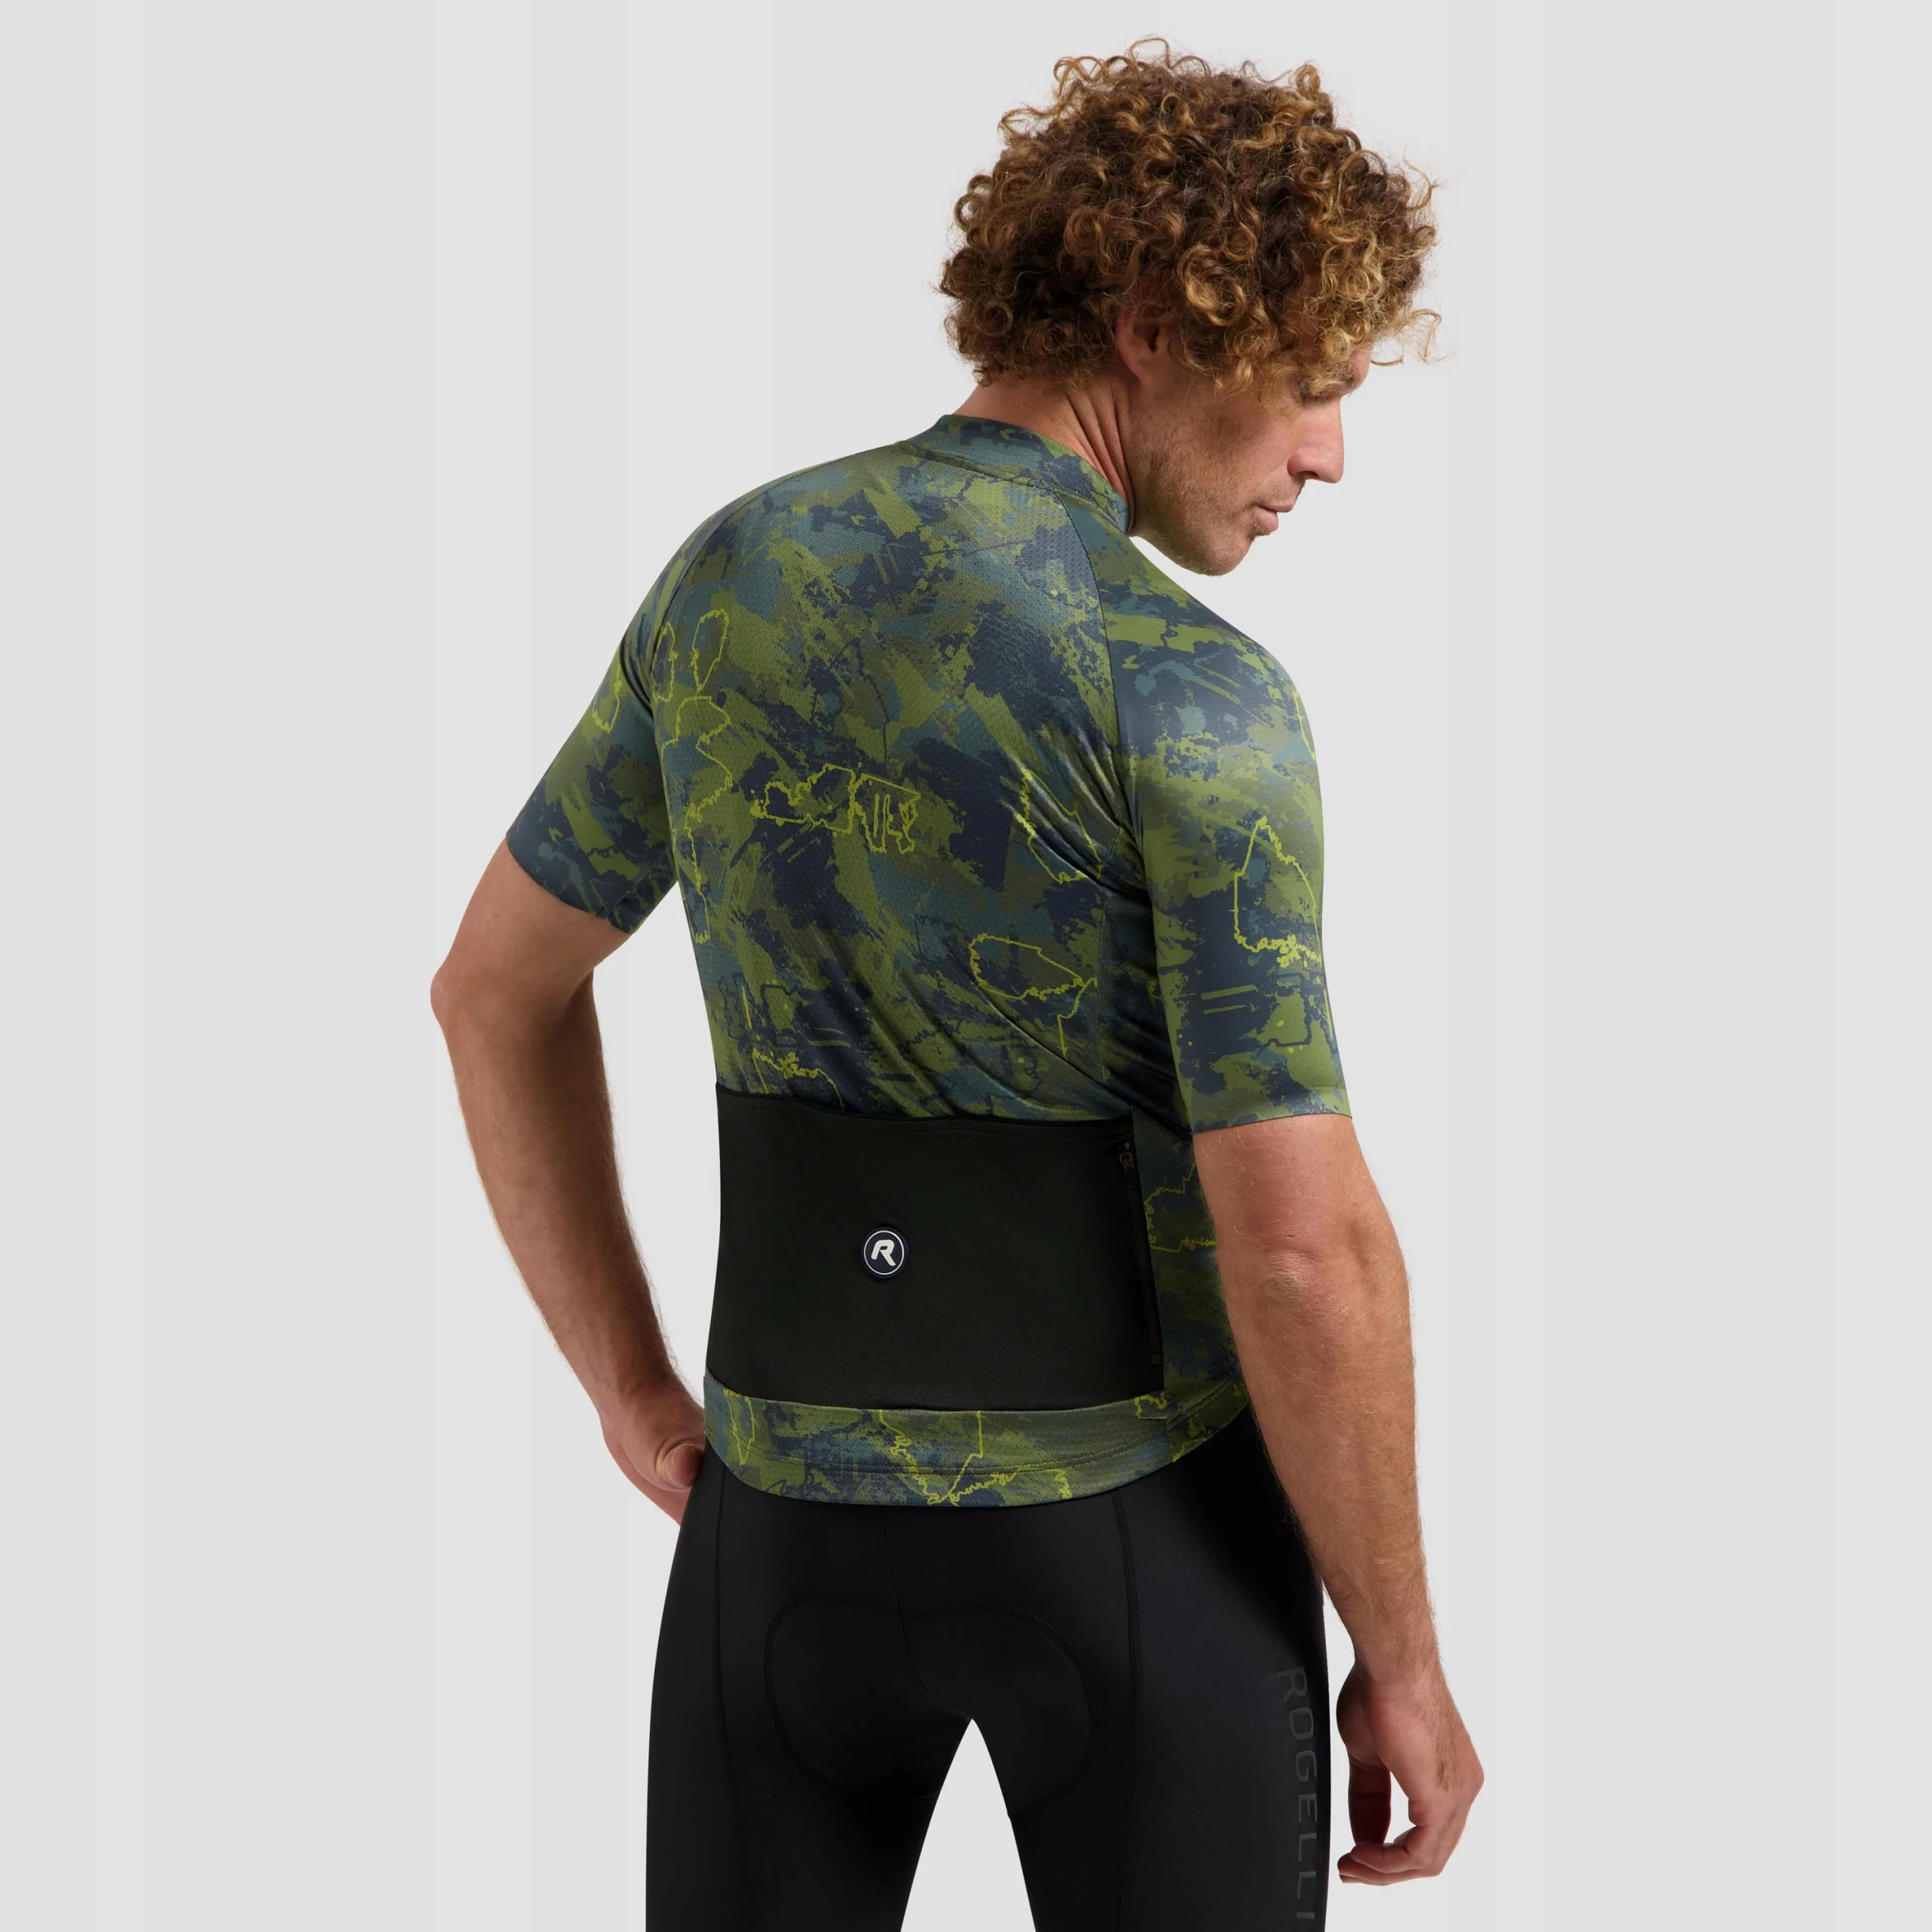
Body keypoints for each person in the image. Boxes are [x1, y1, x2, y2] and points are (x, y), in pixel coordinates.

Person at [432, 40, 1481, 1930]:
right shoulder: (1186, 689)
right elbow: (1301, 1244)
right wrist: (1399, 1654)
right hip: (1141, 1552)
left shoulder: (734, 579)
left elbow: (489, 989)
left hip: (773, 1546)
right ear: (1154, 324)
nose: (1327, 451)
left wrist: (633, 1390)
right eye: (1309, 379)